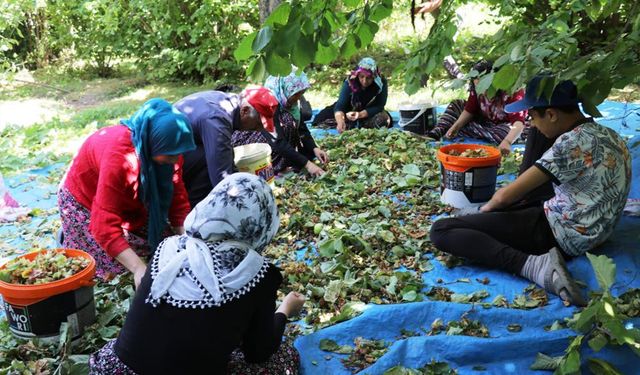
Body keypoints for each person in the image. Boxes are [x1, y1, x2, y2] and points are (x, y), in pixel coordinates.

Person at [430, 76, 632, 307]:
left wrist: (485, 211)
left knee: (443, 230)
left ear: (552, 114)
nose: (531, 124)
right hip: (595, 227)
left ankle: (533, 266)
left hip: (562, 233)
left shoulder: (570, 145)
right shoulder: (608, 134)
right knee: (537, 139)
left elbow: (505, 196)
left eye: (533, 116)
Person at [89, 173, 306, 375]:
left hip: (115, 369)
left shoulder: (169, 248)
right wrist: (284, 310)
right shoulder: (258, 273)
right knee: (285, 357)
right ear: (263, 222)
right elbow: (258, 353)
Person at [58, 99, 196, 287]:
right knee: (114, 271)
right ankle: (72, 234)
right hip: (85, 201)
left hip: (127, 199)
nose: (175, 160)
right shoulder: (121, 160)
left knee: (165, 248)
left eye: (177, 154)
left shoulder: (168, 153)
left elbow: (177, 199)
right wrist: (139, 268)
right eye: (170, 155)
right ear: (152, 143)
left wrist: (188, 240)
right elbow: (103, 227)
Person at [175, 86, 279, 207]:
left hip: (181, 150)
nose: (257, 130)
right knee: (211, 164)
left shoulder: (228, 103)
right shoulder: (217, 121)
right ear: (245, 111)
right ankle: (196, 211)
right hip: (164, 162)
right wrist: (244, 205)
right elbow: (221, 179)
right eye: (257, 124)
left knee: (225, 153)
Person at [231, 71, 329, 177]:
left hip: (272, 138)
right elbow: (277, 141)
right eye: (295, 94)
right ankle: (273, 166)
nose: (298, 98)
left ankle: (284, 162)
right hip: (250, 141)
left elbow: (301, 127)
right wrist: (308, 165)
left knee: (289, 122)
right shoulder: (269, 104)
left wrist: (314, 148)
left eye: (301, 94)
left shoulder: (290, 103)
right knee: (287, 122)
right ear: (284, 89)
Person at [427, 60, 527, 154]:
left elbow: (518, 122)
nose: (481, 91)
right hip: (484, 122)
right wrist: (455, 127)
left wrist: (508, 141)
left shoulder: (512, 91)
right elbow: (470, 109)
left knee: (502, 132)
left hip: (505, 126)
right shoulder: (476, 90)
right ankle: (438, 131)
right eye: (477, 86)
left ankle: (471, 131)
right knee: (457, 104)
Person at [312, 57, 391, 133]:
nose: (364, 81)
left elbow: (379, 105)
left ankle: (358, 124)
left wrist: (360, 114)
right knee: (322, 119)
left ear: (374, 77)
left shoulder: (381, 83)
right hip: (349, 109)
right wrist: (340, 122)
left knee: (383, 120)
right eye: (362, 77)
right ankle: (351, 124)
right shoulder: (350, 82)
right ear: (358, 75)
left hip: (369, 111)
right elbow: (340, 105)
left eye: (369, 78)